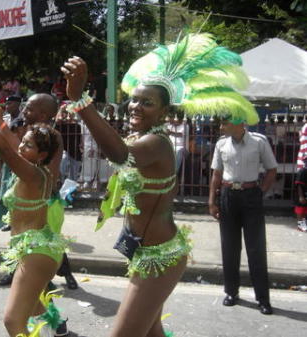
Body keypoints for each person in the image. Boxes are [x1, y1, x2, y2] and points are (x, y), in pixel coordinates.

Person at [61, 32, 258, 336]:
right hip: (144, 253)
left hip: (161, 257)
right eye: (134, 100)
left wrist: (80, 100)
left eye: (147, 103)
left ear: (164, 112)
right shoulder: (139, 138)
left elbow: (119, 154)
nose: (135, 106)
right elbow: (114, 145)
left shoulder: (157, 143)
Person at [0, 78, 70, 337]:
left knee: (12, 321)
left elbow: (4, 149)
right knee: (33, 313)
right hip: (32, 246)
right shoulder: (36, 165)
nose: (21, 145)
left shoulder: (34, 172)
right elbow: (12, 145)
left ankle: (55, 325)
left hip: (36, 250)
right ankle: (56, 326)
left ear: (42, 154)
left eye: (28, 145)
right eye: (23, 142)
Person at [209, 117, 277, 315]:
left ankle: (263, 298)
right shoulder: (221, 144)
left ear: (239, 123)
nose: (221, 127)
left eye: (225, 123)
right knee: (229, 246)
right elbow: (216, 174)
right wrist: (212, 201)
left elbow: (272, 169)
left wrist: (260, 192)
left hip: (251, 196)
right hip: (228, 196)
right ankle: (231, 292)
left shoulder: (259, 142)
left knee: (256, 248)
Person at [294, 158, 307, 232]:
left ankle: (303, 224)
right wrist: (301, 196)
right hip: (301, 194)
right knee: (300, 209)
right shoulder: (302, 171)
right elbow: (299, 184)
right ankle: (299, 225)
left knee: (305, 210)